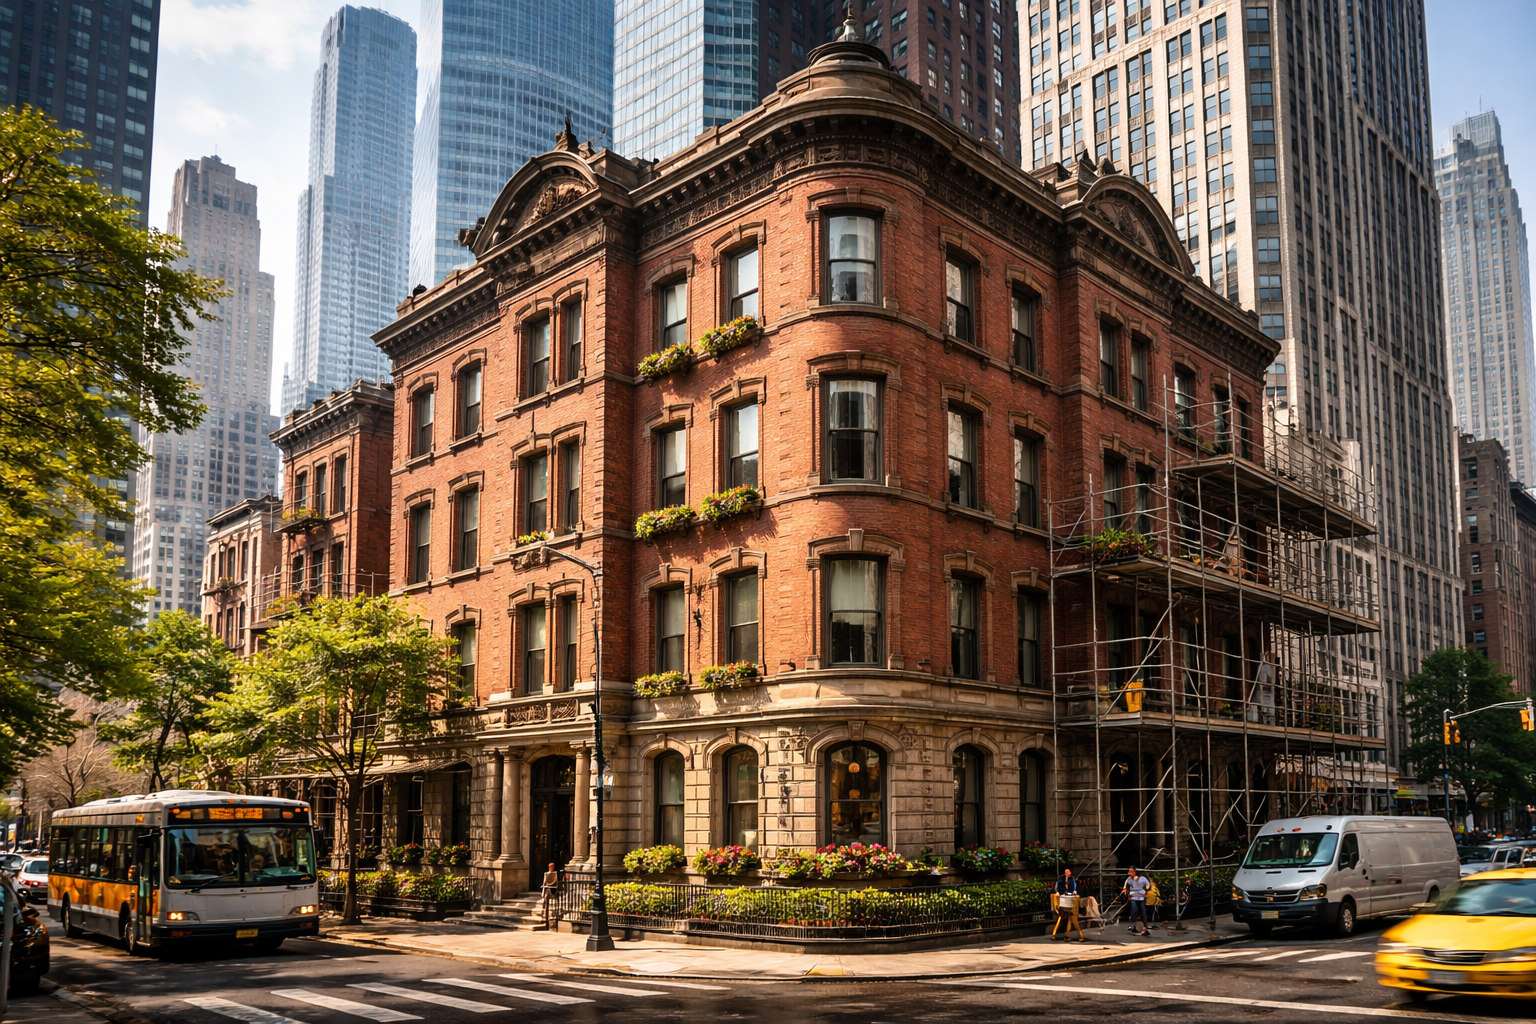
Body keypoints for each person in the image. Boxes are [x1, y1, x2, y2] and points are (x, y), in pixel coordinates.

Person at [1052, 867, 1085, 942]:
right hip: (1063, 900)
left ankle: (1069, 935)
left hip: (1071, 900)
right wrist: (1057, 892)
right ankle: (1058, 934)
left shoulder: (1074, 879)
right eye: (1066, 871)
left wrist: (1075, 892)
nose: (1067, 872)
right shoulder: (1061, 879)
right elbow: (1057, 887)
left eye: (1068, 871)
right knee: (1062, 918)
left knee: (1072, 919)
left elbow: (1076, 888)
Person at [1122, 867, 1152, 936]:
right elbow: (1125, 884)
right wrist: (1125, 889)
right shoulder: (1129, 879)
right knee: (1134, 910)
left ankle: (1145, 928)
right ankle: (1133, 927)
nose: (1129, 872)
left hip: (1141, 897)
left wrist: (1146, 889)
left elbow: (1148, 884)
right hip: (1133, 897)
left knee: (1143, 912)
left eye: (1131, 871)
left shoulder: (1142, 878)